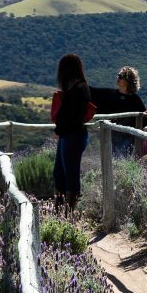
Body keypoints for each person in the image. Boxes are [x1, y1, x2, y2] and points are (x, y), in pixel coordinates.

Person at [52, 53, 91, 212]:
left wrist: (59, 130)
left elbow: (71, 117)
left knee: (69, 174)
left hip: (72, 136)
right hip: (71, 135)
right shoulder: (79, 87)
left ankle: (66, 213)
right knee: (61, 173)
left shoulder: (78, 90)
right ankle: (62, 212)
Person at [90, 65, 147, 157]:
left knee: (121, 161)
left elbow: (144, 115)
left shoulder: (134, 99)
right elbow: (91, 91)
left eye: (120, 76)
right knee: (113, 161)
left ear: (128, 81)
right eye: (118, 75)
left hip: (127, 139)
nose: (117, 78)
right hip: (111, 137)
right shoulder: (110, 94)